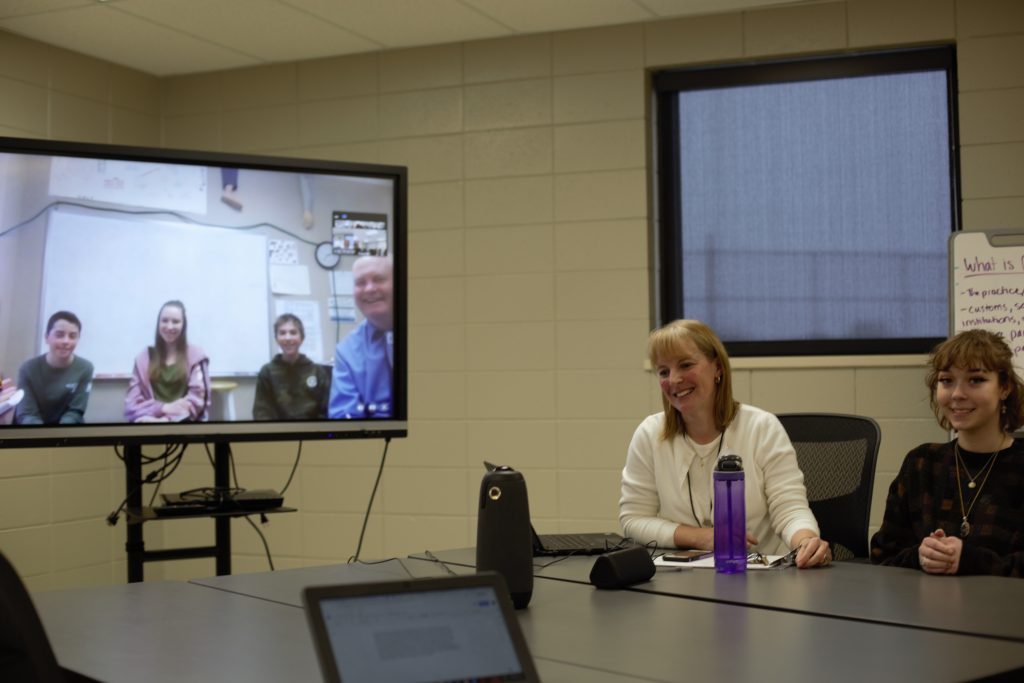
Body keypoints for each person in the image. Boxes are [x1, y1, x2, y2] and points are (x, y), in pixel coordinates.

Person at [619, 319, 830, 568]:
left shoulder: (761, 427)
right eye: (664, 371)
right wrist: (703, 538)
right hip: (681, 580)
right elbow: (633, 520)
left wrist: (806, 541)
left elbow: (790, 508)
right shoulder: (649, 433)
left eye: (685, 365)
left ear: (717, 367)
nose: (674, 379)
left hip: (762, 577)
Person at [870, 329, 1024, 576]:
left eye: (976, 380)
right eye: (946, 380)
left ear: (1004, 387)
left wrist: (971, 560)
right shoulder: (921, 463)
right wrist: (921, 556)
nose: (957, 394)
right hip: (925, 611)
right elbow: (882, 554)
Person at [328, 256, 393, 419]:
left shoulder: (428, 331)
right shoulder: (346, 350)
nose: (369, 289)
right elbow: (343, 416)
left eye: (378, 279)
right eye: (360, 282)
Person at [125, 300, 210, 423]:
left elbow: (197, 402)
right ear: (158, 323)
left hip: (184, 426)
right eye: (164, 320)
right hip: (147, 422)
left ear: (183, 325)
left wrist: (165, 421)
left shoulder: (196, 356)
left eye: (175, 321)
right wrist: (163, 408)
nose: (169, 326)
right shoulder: (144, 358)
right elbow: (131, 406)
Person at [14, 311, 94, 425]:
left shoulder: (85, 368)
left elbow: (75, 411)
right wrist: (45, 437)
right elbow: (27, 413)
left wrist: (58, 435)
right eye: (59, 335)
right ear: (47, 337)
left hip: (66, 433)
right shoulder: (27, 369)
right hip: (34, 433)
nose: (66, 341)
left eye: (72, 336)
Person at [253, 314, 330, 420]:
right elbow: (261, 411)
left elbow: (326, 410)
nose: (288, 338)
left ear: (302, 338)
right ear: (276, 338)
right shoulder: (267, 372)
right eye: (282, 333)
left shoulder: (317, 372)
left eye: (293, 333)